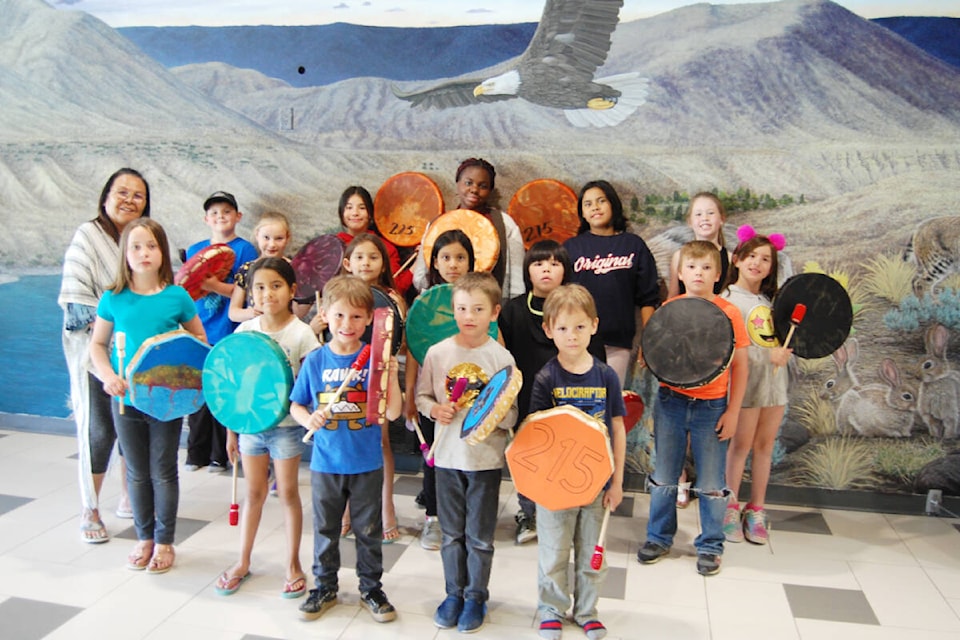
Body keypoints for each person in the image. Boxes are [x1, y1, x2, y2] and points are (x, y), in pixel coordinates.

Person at [89, 218, 206, 574]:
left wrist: (179, 367)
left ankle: (166, 541)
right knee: (137, 472)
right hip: (125, 399)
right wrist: (108, 376)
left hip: (167, 400)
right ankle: (144, 538)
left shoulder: (177, 296)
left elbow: (198, 343)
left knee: (164, 470)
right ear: (125, 254)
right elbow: (97, 345)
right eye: (136, 246)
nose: (143, 253)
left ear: (162, 252)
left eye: (151, 246)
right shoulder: (113, 298)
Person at [290, 275, 402, 624]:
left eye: (356, 317)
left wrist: (391, 376)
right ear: (324, 314)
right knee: (325, 529)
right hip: (326, 463)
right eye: (339, 316)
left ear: (369, 318)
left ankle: (371, 587)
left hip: (366, 463)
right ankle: (324, 586)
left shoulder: (375, 362)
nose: (347, 324)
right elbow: (296, 405)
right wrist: (308, 419)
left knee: (368, 531)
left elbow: (394, 412)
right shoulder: (315, 361)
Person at [637, 241, 748, 577]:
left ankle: (711, 544)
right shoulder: (670, 309)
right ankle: (658, 537)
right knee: (664, 476)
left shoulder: (729, 313)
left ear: (717, 274)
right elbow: (660, 356)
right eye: (692, 267)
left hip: (712, 407)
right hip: (671, 402)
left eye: (705, 268)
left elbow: (741, 367)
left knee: (713, 481)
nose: (698, 273)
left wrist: (733, 412)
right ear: (681, 273)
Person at [415, 272, 518, 633]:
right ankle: (453, 593)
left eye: (477, 308)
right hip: (445, 459)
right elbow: (422, 397)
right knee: (451, 533)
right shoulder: (437, 353)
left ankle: (476, 595)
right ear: (452, 310)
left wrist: (495, 415)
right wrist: (434, 410)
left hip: (485, 461)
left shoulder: (501, 357)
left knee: (479, 536)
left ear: (494, 312)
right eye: (461, 308)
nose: (468, 315)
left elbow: (512, 413)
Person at [215, 257, 319, 597]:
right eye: (259, 287)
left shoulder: (302, 334)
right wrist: (232, 431)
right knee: (253, 493)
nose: (267, 293)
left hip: (288, 428)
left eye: (276, 286)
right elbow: (230, 386)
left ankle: (293, 565)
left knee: (288, 493)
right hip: (250, 427)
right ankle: (242, 561)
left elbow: (312, 386)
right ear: (250, 294)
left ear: (291, 290)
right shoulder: (244, 331)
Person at [528, 284, 625, 640]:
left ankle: (587, 611)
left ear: (594, 326)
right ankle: (551, 609)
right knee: (554, 549)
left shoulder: (606, 376)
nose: (572, 336)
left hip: (597, 483)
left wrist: (616, 482)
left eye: (580, 327)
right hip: (554, 486)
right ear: (549, 329)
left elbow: (618, 428)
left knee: (591, 551)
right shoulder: (546, 378)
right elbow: (534, 437)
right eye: (564, 328)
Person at [59, 168, 147, 543]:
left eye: (138, 195)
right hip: (95, 352)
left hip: (136, 351)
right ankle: (90, 507)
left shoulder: (141, 240)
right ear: (106, 196)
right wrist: (113, 320)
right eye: (122, 192)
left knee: (133, 422)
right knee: (100, 429)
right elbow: (75, 305)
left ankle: (129, 495)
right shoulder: (88, 236)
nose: (129, 200)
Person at [498, 240, 606, 545]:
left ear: (566, 271)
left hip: (571, 402)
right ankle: (528, 514)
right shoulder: (513, 310)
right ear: (527, 270)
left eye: (555, 263)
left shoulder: (581, 309)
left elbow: (596, 356)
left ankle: (566, 514)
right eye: (538, 263)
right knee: (529, 459)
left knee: (567, 459)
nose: (547, 269)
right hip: (526, 399)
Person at [405, 229, 476, 552]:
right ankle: (433, 518)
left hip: (472, 396)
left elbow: (496, 343)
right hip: (435, 398)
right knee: (434, 459)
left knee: (467, 459)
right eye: (446, 257)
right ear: (434, 262)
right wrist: (410, 397)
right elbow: (412, 353)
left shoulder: (478, 301)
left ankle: (466, 517)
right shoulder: (425, 303)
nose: (453, 264)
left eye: (460, 257)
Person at [720, 226, 790, 545]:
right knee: (740, 447)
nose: (757, 263)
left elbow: (781, 341)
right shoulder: (727, 300)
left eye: (765, 259)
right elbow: (729, 349)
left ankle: (756, 508)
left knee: (764, 447)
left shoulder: (772, 301)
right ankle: (728, 506)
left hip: (774, 387)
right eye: (751, 256)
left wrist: (782, 355)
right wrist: (766, 356)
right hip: (744, 387)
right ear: (736, 259)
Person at [336, 234, 406, 544]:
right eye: (360, 256)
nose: (366, 262)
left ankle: (386, 506)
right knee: (345, 439)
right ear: (348, 263)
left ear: (383, 263)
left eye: (373, 257)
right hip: (344, 374)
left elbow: (401, 342)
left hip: (378, 374)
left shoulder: (392, 297)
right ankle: (346, 508)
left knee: (381, 441)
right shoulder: (336, 293)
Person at [184, 191, 258, 473]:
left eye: (226, 211)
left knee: (226, 391)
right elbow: (187, 293)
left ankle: (220, 454)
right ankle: (196, 453)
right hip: (199, 331)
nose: (220, 217)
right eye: (214, 213)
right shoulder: (194, 250)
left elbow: (245, 292)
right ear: (206, 219)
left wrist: (214, 285)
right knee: (199, 393)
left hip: (229, 330)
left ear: (238, 217)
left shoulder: (245, 250)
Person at [667, 192, 731, 508]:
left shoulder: (732, 256)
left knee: (710, 427)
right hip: (683, 347)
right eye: (698, 214)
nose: (704, 219)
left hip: (719, 345)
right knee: (675, 422)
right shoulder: (680, 257)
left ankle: (714, 492)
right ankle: (679, 481)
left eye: (710, 213)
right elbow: (670, 303)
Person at [563, 180, 660, 386]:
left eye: (601, 201)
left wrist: (649, 339)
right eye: (588, 204)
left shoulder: (633, 244)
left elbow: (648, 298)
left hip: (618, 342)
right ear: (581, 212)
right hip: (578, 341)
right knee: (579, 403)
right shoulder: (571, 247)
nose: (595, 207)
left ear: (613, 205)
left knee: (610, 404)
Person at [412, 158, 524, 302]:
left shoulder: (503, 223)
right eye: (468, 183)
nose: (474, 189)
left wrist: (509, 306)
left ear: (490, 190)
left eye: (483, 186)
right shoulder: (438, 224)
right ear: (458, 183)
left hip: (489, 305)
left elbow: (515, 276)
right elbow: (422, 275)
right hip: (442, 305)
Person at [335, 186, 413, 295]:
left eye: (362, 208)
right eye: (349, 208)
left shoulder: (385, 247)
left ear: (370, 213)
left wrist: (419, 260)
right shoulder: (332, 246)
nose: (355, 213)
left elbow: (397, 286)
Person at [228, 211, 293, 323]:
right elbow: (233, 312)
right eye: (266, 238)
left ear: (287, 238)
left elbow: (298, 310)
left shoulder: (293, 268)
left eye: (279, 238)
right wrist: (250, 313)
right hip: (256, 333)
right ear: (257, 235)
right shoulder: (246, 269)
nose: (272, 244)